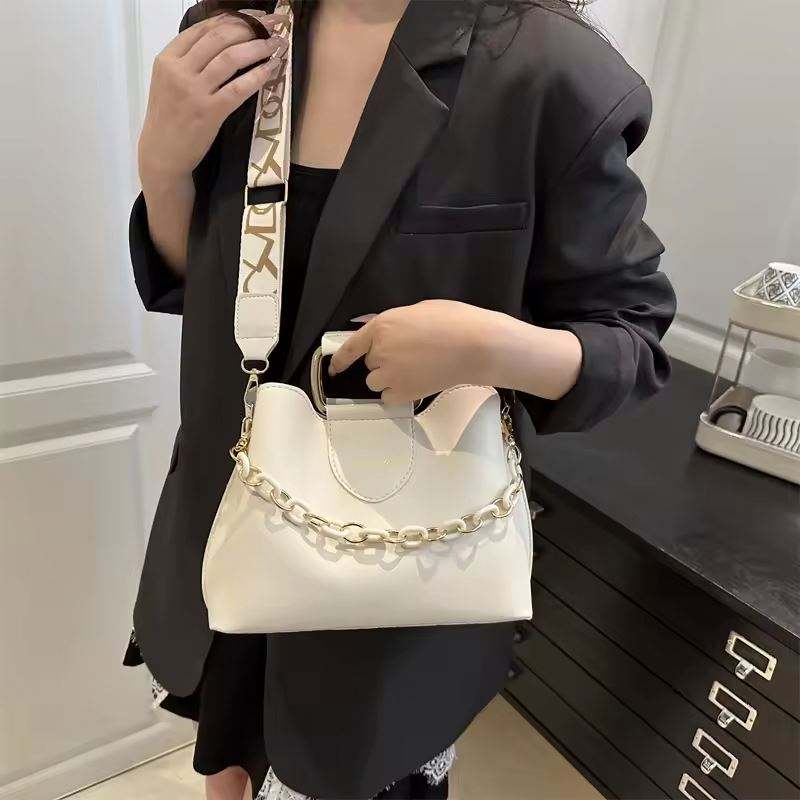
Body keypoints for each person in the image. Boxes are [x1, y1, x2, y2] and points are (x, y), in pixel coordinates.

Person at [123, 0, 677, 798]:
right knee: (231, 765)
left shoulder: (547, 70)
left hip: (392, 577)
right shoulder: (233, 32)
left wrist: (483, 345)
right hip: (226, 530)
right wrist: (163, 165)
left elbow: (632, 341)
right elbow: (205, 284)